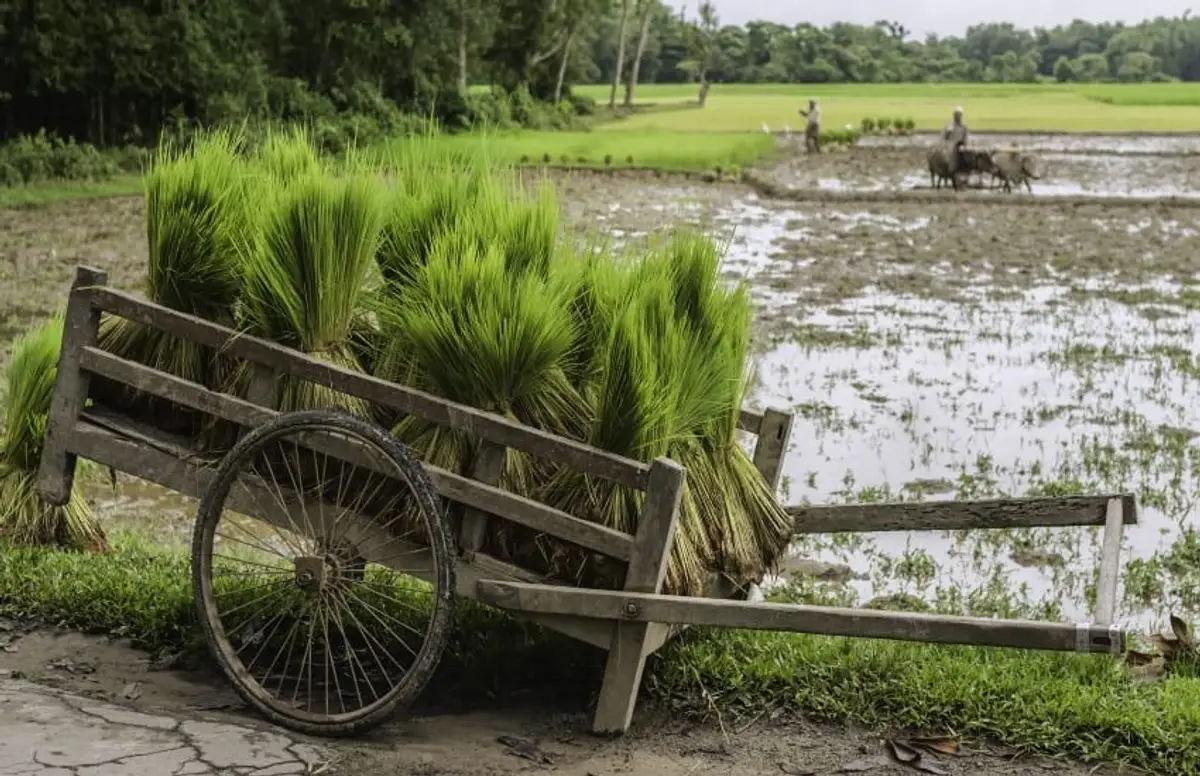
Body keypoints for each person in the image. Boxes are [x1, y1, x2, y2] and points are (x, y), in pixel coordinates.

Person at [943, 106, 969, 176]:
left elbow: (965, 138)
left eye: (959, 115)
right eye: (956, 115)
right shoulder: (949, 127)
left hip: (961, 147)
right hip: (950, 148)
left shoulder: (964, 127)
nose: (958, 117)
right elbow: (944, 138)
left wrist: (964, 146)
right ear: (954, 116)